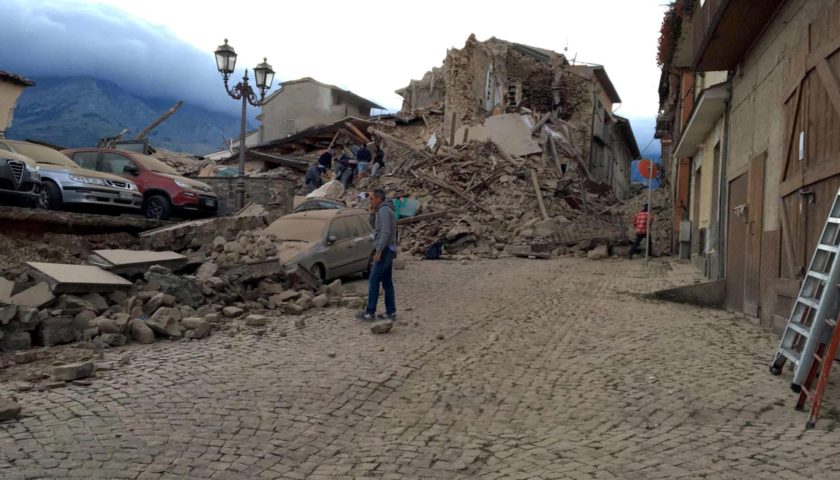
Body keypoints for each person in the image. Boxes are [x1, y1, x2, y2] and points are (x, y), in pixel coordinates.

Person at [357, 189, 397, 321]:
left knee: (374, 279)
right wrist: (373, 213)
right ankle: (391, 312)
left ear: (379, 199)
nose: (370, 201)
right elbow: (375, 226)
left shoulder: (384, 211)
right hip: (389, 249)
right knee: (386, 281)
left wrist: (379, 251)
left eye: (372, 199)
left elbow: (385, 232)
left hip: (385, 249)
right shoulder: (381, 211)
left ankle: (370, 312)